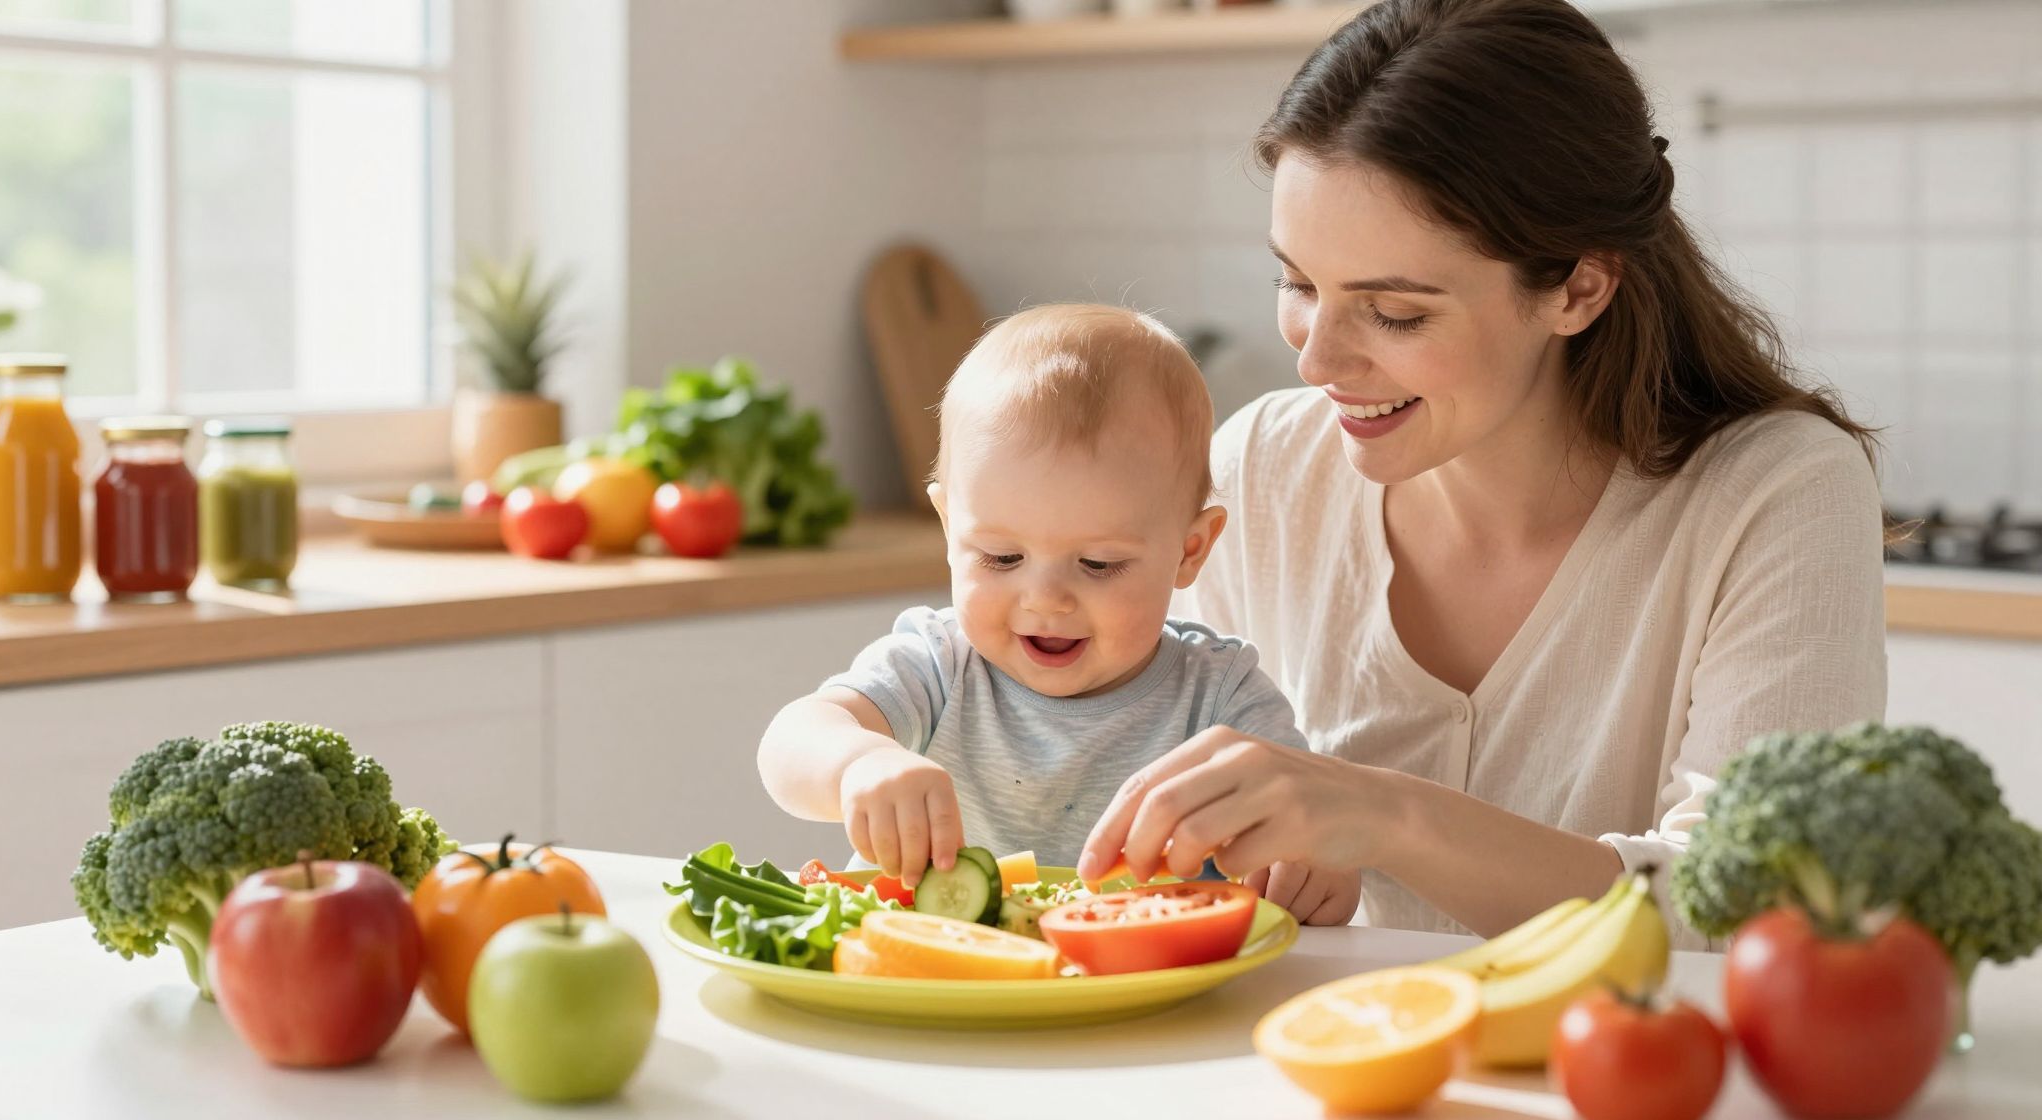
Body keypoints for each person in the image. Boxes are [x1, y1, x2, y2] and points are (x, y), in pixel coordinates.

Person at [1078, 0, 1886, 946]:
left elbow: (1754, 913)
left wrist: (1381, 815)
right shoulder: (1258, 472)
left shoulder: (1775, 495)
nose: (1318, 360)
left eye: (1395, 313)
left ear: (1579, 287)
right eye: (1299, 285)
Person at [757, 303, 1362, 924]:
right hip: (940, 983)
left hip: (1144, 999)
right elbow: (789, 745)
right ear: (948, 528)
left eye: (1098, 564)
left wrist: (1317, 870)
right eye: (1000, 556)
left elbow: (1309, 833)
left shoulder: (1221, 700)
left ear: (1190, 550)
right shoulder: (937, 666)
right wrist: (859, 762)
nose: (1045, 599)